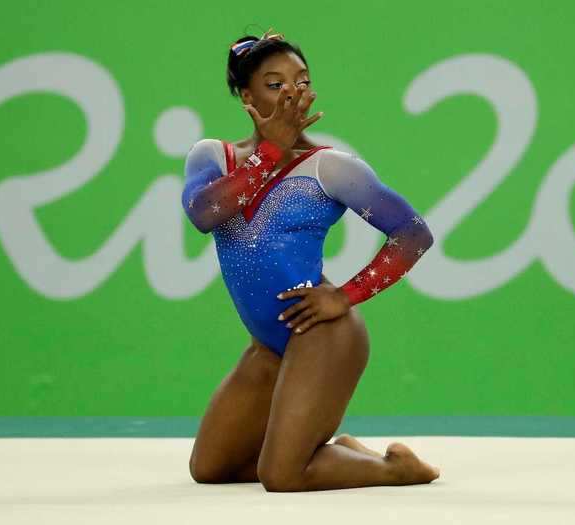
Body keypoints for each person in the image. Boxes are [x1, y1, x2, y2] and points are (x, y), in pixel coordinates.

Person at [181, 28, 440, 492]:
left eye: (300, 81)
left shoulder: (330, 167)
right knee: (210, 469)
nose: (291, 93)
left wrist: (346, 295)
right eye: (274, 83)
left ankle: (395, 469)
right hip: (268, 347)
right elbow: (205, 214)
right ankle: (336, 454)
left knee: (281, 476)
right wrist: (268, 154)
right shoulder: (212, 157)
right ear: (246, 96)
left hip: (322, 333)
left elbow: (413, 234)